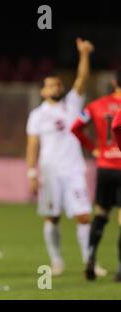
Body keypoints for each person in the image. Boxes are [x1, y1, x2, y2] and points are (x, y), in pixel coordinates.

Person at [26, 38, 96, 276]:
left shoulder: (72, 105)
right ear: (43, 91)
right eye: (51, 85)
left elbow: (82, 80)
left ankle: (90, 262)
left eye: (58, 85)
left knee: (84, 216)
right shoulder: (37, 115)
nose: (56, 88)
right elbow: (32, 145)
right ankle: (56, 261)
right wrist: (32, 172)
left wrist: (84, 54)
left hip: (74, 170)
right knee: (52, 218)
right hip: (49, 172)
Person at [71, 68, 121, 280]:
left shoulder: (96, 105)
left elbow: (75, 127)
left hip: (105, 167)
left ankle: (90, 258)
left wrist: (93, 148)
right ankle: (120, 268)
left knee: (101, 213)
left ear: (113, 81)